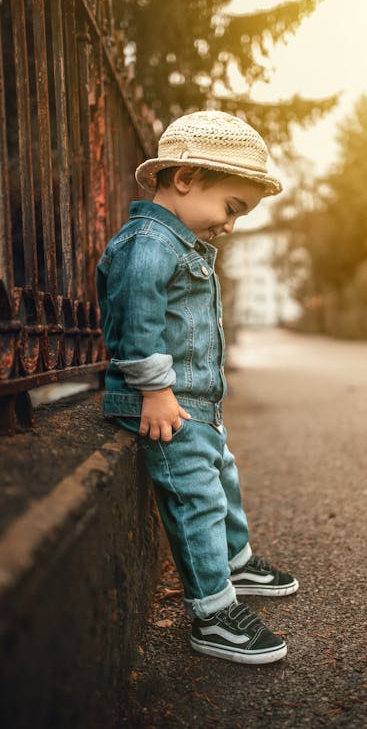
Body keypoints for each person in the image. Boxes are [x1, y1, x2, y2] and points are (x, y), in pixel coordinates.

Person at [97, 110, 298, 665]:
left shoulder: (174, 241)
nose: (231, 224)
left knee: (221, 477)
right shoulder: (149, 244)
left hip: (196, 403)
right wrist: (155, 391)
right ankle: (212, 614)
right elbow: (137, 320)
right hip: (167, 404)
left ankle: (235, 561)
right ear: (184, 179)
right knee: (196, 498)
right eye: (231, 208)